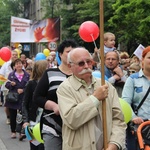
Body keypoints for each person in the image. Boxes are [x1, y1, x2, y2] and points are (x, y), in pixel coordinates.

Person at [56, 47, 126, 150]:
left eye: (88, 62)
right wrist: (95, 98)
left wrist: (114, 144)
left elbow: (118, 119)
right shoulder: (65, 88)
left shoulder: (105, 85)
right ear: (70, 66)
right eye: (81, 63)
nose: (86, 66)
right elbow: (72, 119)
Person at [33, 39, 78, 150]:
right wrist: (53, 106)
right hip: (52, 125)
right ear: (60, 54)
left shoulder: (80, 75)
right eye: (68, 51)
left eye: (74, 52)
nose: (71, 54)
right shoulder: (50, 73)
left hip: (76, 126)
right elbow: (37, 97)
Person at [122, 46, 150, 150]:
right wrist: (133, 117)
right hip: (139, 130)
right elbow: (125, 101)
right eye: (149, 58)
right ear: (142, 59)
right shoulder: (133, 80)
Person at [22, 60, 48, 150]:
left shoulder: (49, 83)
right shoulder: (31, 83)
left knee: (43, 146)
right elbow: (25, 102)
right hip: (33, 122)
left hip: (46, 122)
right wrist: (25, 120)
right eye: (47, 67)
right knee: (34, 146)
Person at [5, 58, 30, 139]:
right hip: (13, 98)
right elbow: (6, 85)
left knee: (23, 114)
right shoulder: (11, 75)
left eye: (20, 63)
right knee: (13, 115)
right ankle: (13, 131)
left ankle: (22, 132)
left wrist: (23, 90)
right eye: (17, 64)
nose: (19, 65)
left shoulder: (27, 75)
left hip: (24, 97)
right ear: (14, 66)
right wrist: (11, 85)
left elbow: (30, 86)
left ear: (22, 65)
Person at [0, 50, 18, 124]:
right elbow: (1, 75)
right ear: (11, 55)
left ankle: (15, 117)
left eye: (16, 55)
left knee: (17, 102)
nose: (14, 56)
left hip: (17, 87)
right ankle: (8, 117)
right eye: (13, 54)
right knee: (7, 104)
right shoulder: (6, 65)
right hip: (7, 88)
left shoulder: (20, 64)